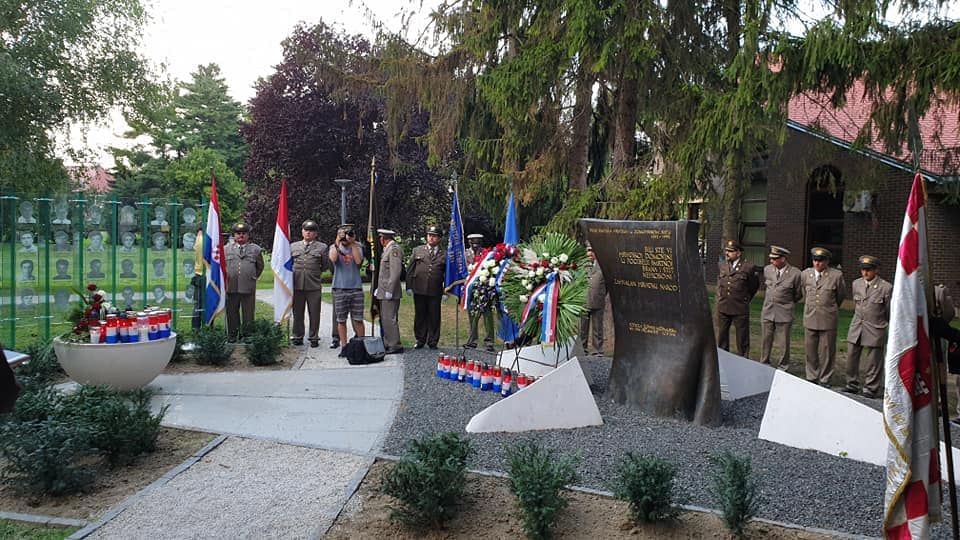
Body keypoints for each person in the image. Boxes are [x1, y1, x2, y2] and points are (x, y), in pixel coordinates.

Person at [842, 255, 893, 398]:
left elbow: (889, 310)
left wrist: (883, 324)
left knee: (873, 361)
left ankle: (871, 388)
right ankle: (851, 384)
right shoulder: (856, 284)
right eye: (863, 270)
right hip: (857, 325)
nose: (865, 273)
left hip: (875, 326)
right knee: (852, 356)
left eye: (868, 270)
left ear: (876, 270)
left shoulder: (885, 287)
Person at [801, 247, 846, 386]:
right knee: (810, 349)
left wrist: (830, 308)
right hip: (810, 316)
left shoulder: (836, 276)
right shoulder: (805, 274)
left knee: (827, 350)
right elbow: (804, 292)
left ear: (826, 262)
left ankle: (825, 378)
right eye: (815, 260)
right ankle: (812, 375)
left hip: (828, 317)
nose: (817, 263)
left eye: (820, 261)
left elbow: (840, 295)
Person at [760, 245, 803, 370]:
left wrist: (787, 303)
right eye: (771, 258)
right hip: (768, 310)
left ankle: (783, 366)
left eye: (775, 259)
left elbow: (798, 293)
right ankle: (764, 362)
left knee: (783, 342)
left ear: (783, 259)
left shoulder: (795, 273)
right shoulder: (768, 270)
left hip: (784, 312)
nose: (771, 261)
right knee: (766, 340)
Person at [715, 240, 759, 356]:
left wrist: (745, 299)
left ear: (738, 253)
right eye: (727, 251)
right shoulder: (722, 265)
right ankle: (723, 357)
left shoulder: (748, 267)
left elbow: (753, 286)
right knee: (722, 335)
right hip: (723, 306)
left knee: (742, 337)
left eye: (730, 251)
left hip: (739, 307)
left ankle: (743, 358)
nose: (727, 253)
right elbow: (720, 283)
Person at [407, 225, 446, 349]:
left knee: (434, 316)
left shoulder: (444, 254)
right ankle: (420, 339)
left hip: (435, 289)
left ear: (439, 239)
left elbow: (447, 273)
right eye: (429, 235)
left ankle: (433, 341)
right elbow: (410, 269)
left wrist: (446, 290)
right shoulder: (417, 250)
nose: (431, 238)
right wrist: (409, 286)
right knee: (420, 315)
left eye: (434, 236)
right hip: (419, 288)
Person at [291, 220, 329, 347]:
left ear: (316, 233)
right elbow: (289, 264)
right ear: (302, 231)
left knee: (314, 312)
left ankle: (314, 337)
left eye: (311, 231)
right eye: (306, 230)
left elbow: (324, 266)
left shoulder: (322, 247)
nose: (308, 232)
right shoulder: (293, 246)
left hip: (313, 285)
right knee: (297, 313)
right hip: (297, 285)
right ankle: (297, 336)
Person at [224, 223, 264, 342]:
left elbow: (260, 266)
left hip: (248, 286)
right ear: (234, 235)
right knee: (231, 312)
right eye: (238, 233)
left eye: (243, 233)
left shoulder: (256, 249)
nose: (241, 236)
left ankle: (248, 336)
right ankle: (233, 336)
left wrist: (252, 276)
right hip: (231, 286)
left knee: (248, 313)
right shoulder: (226, 249)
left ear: (248, 235)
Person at [329, 223, 366, 350]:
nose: (346, 237)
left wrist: (353, 243)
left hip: (356, 288)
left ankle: (361, 345)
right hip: (339, 288)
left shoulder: (358, 246)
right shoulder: (334, 247)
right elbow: (333, 259)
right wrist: (337, 241)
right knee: (341, 320)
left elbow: (358, 261)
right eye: (343, 234)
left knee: (358, 319)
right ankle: (344, 346)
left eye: (348, 233)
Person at [375, 228, 404, 354]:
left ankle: (395, 344)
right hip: (384, 290)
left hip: (390, 291)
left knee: (389, 318)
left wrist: (390, 289)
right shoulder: (387, 250)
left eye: (380, 237)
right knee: (385, 318)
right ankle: (387, 342)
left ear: (383, 239)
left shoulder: (393, 250)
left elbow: (395, 271)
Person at [465, 233, 495, 350]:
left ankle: (489, 342)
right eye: (473, 241)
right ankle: (472, 340)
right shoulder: (465, 253)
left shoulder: (486, 254)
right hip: (471, 288)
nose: (475, 244)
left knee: (487, 315)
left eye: (478, 241)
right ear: (469, 242)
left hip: (485, 287)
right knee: (472, 315)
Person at [580, 242, 607, 357]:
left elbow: (608, 285)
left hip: (598, 301)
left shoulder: (603, 266)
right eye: (588, 251)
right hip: (584, 302)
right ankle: (582, 349)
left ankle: (598, 351)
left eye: (592, 251)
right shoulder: (582, 266)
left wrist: (601, 294)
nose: (590, 253)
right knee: (582, 329)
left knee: (597, 329)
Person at [191, 226, 204, 330]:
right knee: (201, 305)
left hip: (198, 274)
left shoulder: (198, 239)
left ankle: (195, 328)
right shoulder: (202, 239)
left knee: (197, 304)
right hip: (203, 274)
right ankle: (198, 327)